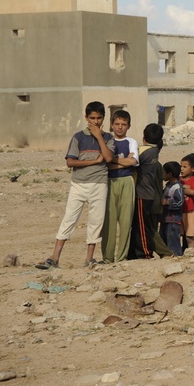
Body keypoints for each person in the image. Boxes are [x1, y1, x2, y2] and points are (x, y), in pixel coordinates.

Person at [36, 101, 115, 269]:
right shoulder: (78, 137)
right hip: (79, 185)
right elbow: (70, 162)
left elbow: (108, 158)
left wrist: (99, 137)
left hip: (99, 185)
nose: (95, 122)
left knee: (96, 222)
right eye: (92, 118)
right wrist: (94, 161)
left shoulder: (108, 138)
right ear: (86, 118)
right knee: (69, 219)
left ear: (103, 118)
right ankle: (55, 257)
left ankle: (89, 259)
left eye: (99, 118)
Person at [100, 109, 139, 263]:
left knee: (125, 221)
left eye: (123, 124)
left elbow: (133, 162)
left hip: (127, 182)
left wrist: (113, 161)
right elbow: (104, 164)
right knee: (108, 222)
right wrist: (123, 162)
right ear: (111, 124)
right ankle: (107, 258)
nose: (120, 127)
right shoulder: (107, 141)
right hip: (109, 182)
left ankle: (122, 257)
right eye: (117, 124)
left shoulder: (132, 142)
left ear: (128, 126)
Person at [130, 123, 164, 260]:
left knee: (141, 227)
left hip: (142, 194)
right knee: (141, 225)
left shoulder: (143, 151)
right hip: (148, 194)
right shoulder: (155, 151)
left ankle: (145, 253)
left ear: (144, 137)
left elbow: (131, 161)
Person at [160, 165, 184, 257]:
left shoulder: (177, 187)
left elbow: (180, 202)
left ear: (169, 174)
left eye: (163, 173)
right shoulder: (167, 186)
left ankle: (177, 257)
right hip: (165, 219)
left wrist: (167, 202)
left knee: (173, 242)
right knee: (164, 241)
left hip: (173, 220)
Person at [179, 153, 194, 250]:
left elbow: (192, 192)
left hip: (189, 211)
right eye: (181, 166)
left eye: (184, 167)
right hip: (179, 211)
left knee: (189, 235)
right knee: (179, 234)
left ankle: (192, 251)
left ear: (193, 169)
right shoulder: (179, 180)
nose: (182, 169)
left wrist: (180, 188)